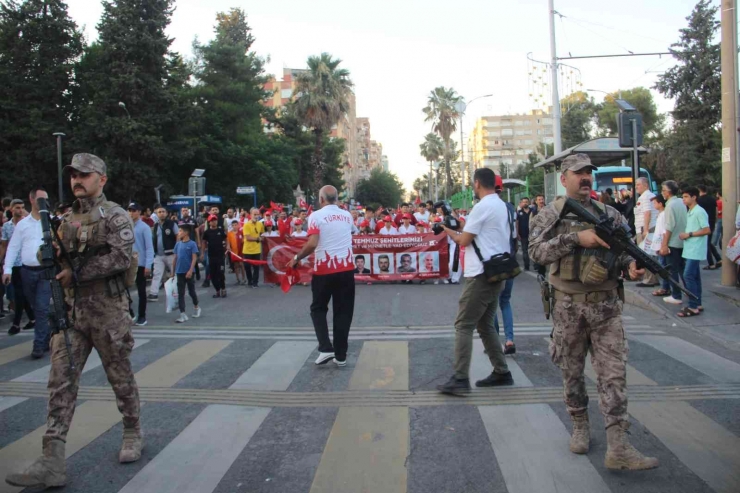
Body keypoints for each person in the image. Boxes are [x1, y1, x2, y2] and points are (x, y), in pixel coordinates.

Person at [5, 154, 145, 489]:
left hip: (108, 309)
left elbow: (121, 257)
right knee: (60, 383)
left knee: (120, 376)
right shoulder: (65, 217)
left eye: (84, 174)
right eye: (73, 175)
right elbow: (50, 252)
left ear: (102, 179)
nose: (77, 180)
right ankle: (52, 460)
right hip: (71, 311)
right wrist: (48, 253)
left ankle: (132, 431)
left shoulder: (115, 215)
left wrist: (77, 272)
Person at [528, 153, 658, 471]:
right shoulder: (550, 215)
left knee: (613, 375)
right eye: (578, 173)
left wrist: (633, 267)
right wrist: (576, 239)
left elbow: (625, 251)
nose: (585, 177)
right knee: (572, 374)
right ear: (564, 178)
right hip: (567, 307)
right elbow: (535, 252)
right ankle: (581, 426)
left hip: (606, 308)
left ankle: (619, 446)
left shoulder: (610, 214)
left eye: (588, 172)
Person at [436, 168, 514, 396]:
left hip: (480, 275)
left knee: (463, 325)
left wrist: (448, 231)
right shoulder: (501, 205)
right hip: (497, 272)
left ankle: (460, 378)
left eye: (473, 183)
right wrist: (460, 226)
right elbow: (479, 231)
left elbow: (463, 240)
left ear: (477, 183)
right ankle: (502, 371)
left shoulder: (482, 207)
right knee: (485, 325)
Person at [288, 185, 354, 367]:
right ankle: (341, 356)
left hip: (324, 270)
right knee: (343, 312)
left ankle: (325, 348)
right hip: (346, 270)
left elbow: (312, 243)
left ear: (322, 199)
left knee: (318, 308)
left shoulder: (315, 216)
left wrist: (296, 257)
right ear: (337, 199)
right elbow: (350, 233)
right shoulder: (347, 215)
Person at [2, 187, 51, 358]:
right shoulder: (23, 225)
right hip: (26, 272)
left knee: (41, 308)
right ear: (32, 200)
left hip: (45, 272)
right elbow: (13, 247)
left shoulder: (51, 221)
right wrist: (7, 269)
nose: (44, 202)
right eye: (40, 199)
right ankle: (47, 335)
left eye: (46, 199)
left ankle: (38, 345)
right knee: (35, 306)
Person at [0, 199, 35, 334]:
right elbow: (4, 245)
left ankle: (16, 323)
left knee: (20, 293)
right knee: (20, 293)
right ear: (11, 209)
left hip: (26, 263)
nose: (20, 210)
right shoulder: (7, 226)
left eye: (22, 207)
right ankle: (32, 319)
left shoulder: (28, 223)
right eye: (17, 208)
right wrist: (2, 262)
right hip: (13, 264)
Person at [677, 187, 711, 317]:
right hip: (690, 248)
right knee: (695, 277)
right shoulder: (690, 211)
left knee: (688, 275)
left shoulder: (699, 212)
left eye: (686, 196)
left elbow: (706, 230)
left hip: (696, 249)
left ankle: (692, 306)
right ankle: (698, 302)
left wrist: (689, 234)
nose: (684, 199)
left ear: (694, 197)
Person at [659, 180, 687, 305]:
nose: (662, 193)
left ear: (668, 192)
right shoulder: (681, 202)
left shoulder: (670, 206)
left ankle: (676, 295)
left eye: (663, 190)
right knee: (682, 269)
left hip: (673, 241)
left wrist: (664, 244)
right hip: (683, 241)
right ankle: (688, 291)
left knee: (672, 270)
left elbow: (669, 227)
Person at [128, 203, 154, 326]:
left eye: (134, 211)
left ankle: (142, 316)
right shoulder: (126, 227)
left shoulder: (144, 227)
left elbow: (149, 247)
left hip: (140, 263)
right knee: (123, 290)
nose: (131, 213)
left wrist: (148, 265)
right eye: (130, 210)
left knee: (141, 291)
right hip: (127, 263)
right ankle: (130, 312)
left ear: (139, 212)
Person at [171, 224, 201, 323]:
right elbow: (175, 258)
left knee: (191, 291)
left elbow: (194, 258)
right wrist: (172, 271)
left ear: (186, 232)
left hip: (188, 272)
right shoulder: (177, 244)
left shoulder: (192, 244)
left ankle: (196, 307)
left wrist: (190, 270)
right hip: (179, 272)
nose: (178, 233)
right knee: (181, 293)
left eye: (180, 231)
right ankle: (182, 314)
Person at [148, 204, 178, 301]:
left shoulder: (172, 224)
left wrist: (177, 249)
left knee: (174, 273)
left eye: (163, 212)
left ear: (167, 213)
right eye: (159, 212)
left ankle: (176, 292)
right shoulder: (156, 226)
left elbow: (177, 236)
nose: (161, 214)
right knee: (157, 274)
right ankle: (153, 293)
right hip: (159, 255)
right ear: (156, 214)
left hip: (171, 253)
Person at [633, 177, 659, 287]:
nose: (636, 187)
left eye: (638, 184)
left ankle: (650, 279)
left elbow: (647, 213)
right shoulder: (646, 196)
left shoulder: (646, 197)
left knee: (646, 255)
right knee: (648, 254)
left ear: (646, 185)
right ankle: (650, 278)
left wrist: (646, 230)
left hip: (645, 230)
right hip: (645, 229)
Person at [202, 214, 227, 298]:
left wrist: (228, 247)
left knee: (221, 273)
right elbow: (204, 243)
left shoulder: (221, 230)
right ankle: (217, 290)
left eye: (215, 220)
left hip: (220, 256)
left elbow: (226, 239)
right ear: (209, 222)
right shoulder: (207, 232)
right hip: (211, 256)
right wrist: (202, 253)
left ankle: (223, 289)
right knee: (213, 275)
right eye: (212, 220)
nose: (214, 222)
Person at [697, 185, 722, 270]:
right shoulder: (712, 199)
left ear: (699, 190)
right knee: (708, 241)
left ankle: (711, 263)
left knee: (706, 243)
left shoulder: (699, 200)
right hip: (712, 221)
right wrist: (715, 220)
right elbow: (715, 210)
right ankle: (718, 259)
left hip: (703, 223)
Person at [242, 208, 265, 288]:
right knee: (247, 266)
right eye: (254, 214)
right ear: (250, 215)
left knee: (256, 267)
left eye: (257, 214)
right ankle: (249, 280)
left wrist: (263, 237)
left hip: (257, 249)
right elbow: (248, 237)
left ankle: (255, 282)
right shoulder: (246, 225)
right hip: (247, 250)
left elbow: (262, 233)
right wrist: (258, 239)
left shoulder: (260, 224)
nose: (256, 216)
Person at [226, 221, 246, 285]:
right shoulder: (229, 233)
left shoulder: (241, 232)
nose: (234, 226)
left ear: (238, 225)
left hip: (240, 251)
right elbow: (228, 242)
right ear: (231, 226)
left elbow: (244, 240)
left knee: (241, 265)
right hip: (234, 252)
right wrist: (228, 246)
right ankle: (238, 279)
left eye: (236, 225)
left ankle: (244, 278)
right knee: (236, 265)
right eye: (233, 225)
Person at [516, 197, 532, 270]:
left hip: (532, 235)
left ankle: (536, 266)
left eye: (526, 202)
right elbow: (517, 223)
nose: (525, 203)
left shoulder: (533, 211)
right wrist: (517, 233)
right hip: (523, 234)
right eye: (524, 202)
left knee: (533, 250)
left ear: (529, 203)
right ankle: (526, 266)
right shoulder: (519, 213)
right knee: (525, 251)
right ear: (521, 203)